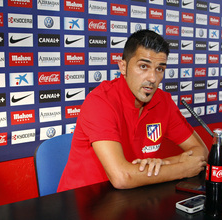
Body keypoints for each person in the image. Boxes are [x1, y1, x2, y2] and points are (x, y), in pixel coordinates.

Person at [57, 30, 208, 192]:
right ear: (123, 67)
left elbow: (201, 152)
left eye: (159, 69)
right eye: (143, 66)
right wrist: (182, 168)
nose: (152, 78)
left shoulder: (163, 100)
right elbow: (122, 177)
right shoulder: (100, 101)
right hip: (82, 202)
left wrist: (166, 163)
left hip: (131, 195)